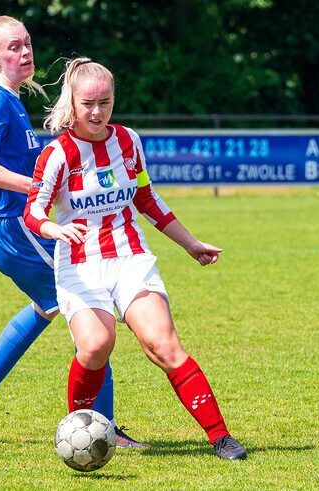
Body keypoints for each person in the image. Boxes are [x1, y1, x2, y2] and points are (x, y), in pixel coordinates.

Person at [23, 58, 247, 460]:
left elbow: (145, 197)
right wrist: (55, 229)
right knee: (95, 346)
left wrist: (190, 243)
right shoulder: (57, 154)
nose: (96, 112)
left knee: (163, 345)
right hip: (79, 264)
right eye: (88, 103)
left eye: (105, 102)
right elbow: (33, 211)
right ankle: (79, 432)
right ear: (72, 102)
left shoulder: (128, 140)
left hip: (130, 257)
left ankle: (221, 437)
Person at [0, 16, 147, 449]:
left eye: (27, 44)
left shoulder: (11, 98)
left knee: (48, 306)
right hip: (15, 229)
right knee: (93, 317)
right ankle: (106, 427)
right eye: (13, 48)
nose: (25, 53)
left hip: (10, 230)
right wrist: (37, 188)